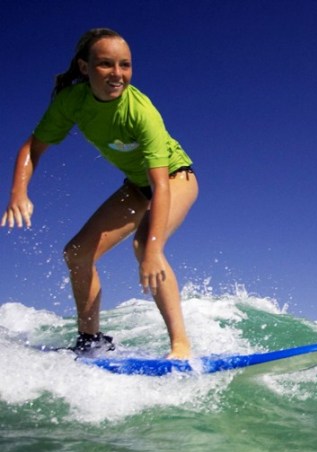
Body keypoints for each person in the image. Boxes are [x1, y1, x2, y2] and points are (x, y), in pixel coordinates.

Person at [2, 28, 198, 359]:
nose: (117, 74)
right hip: (137, 188)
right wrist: (19, 192)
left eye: (125, 65)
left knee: (144, 245)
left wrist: (152, 251)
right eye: (106, 64)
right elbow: (33, 147)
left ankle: (180, 345)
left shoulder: (140, 111)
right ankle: (90, 340)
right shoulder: (72, 103)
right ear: (84, 67)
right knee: (77, 253)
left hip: (176, 178)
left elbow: (161, 184)